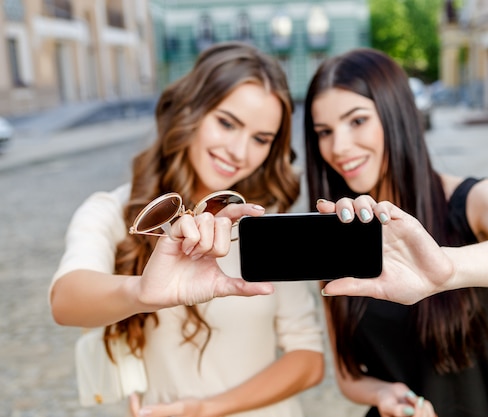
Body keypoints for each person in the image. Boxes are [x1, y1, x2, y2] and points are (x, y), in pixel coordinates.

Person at [49, 41, 325, 417]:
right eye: (227, 123)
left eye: (261, 139)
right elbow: (65, 302)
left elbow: (308, 358)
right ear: (190, 111)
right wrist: (141, 292)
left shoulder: (264, 223)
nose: (239, 151)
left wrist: (205, 408)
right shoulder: (114, 211)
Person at [302, 48, 488, 417]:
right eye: (324, 132)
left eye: (357, 121)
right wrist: (385, 395)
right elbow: (349, 376)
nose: (339, 147)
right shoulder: (334, 234)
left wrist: (446, 268)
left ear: (398, 116)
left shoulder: (473, 201)